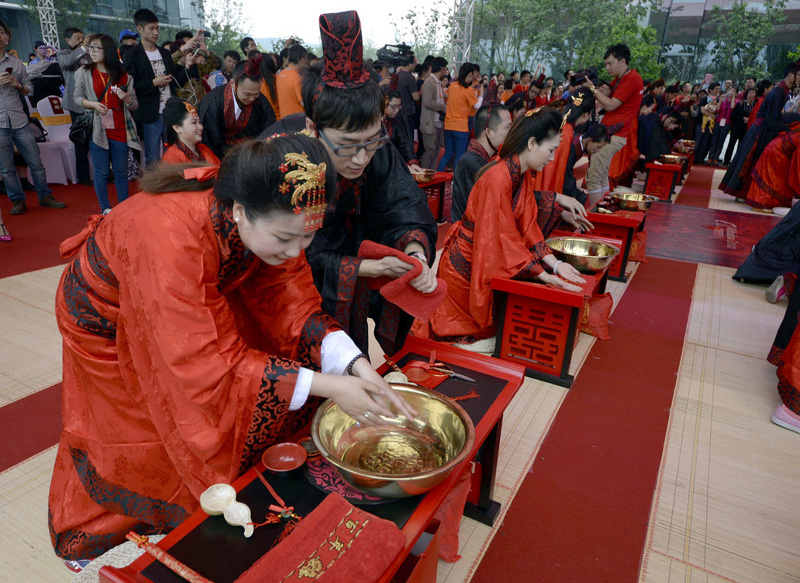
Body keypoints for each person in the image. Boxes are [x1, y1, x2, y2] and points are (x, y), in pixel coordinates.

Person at [47, 134, 416, 565]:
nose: (297, 252)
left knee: (246, 376)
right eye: (285, 239)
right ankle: (98, 530)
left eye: (308, 238)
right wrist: (331, 388)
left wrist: (353, 365)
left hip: (180, 296)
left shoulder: (275, 214)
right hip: (106, 320)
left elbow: (291, 300)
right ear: (240, 211)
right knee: (141, 423)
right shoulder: (168, 234)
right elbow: (202, 364)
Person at [302, 10, 438, 355]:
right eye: (346, 147)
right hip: (301, 302)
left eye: (372, 140)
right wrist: (366, 267)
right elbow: (291, 261)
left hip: (350, 284)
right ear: (313, 129)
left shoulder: (377, 152)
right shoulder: (291, 169)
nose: (362, 159)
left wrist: (415, 252)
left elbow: (404, 206)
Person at [429, 108, 590, 350]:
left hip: (480, 253)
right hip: (465, 265)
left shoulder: (519, 174)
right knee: (479, 337)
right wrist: (544, 275)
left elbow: (527, 224)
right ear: (533, 143)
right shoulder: (499, 176)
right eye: (552, 149)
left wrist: (555, 265)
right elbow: (502, 236)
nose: (553, 158)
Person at [0, 20, 66, 216]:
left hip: (20, 120)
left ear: (7, 37)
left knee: (35, 161)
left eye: (2, 32)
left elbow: (31, 90)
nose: (0, 36)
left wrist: (18, 85)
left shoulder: (17, 64)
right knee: (6, 167)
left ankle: (45, 195)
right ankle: (17, 200)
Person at [76, 34, 140, 215]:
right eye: (91, 48)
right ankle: (105, 208)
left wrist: (127, 99)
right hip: (98, 129)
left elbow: (134, 105)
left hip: (120, 129)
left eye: (97, 48)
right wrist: (92, 105)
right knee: (101, 172)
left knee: (121, 172)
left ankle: (124, 207)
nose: (92, 52)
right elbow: (76, 98)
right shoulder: (84, 72)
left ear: (109, 51)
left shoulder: (124, 76)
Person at [722, 63, 800, 199]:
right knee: (751, 162)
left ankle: (743, 194)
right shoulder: (780, 92)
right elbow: (773, 119)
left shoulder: (781, 90)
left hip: (760, 128)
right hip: (760, 130)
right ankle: (744, 193)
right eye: (799, 75)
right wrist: (790, 126)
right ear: (791, 75)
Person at [123, 8, 190, 166]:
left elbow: (174, 80)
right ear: (140, 29)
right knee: (153, 155)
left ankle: (171, 184)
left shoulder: (164, 53)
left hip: (169, 108)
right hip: (149, 111)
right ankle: (155, 188)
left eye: (157, 28)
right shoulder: (132, 54)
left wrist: (185, 66)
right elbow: (129, 86)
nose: (156, 32)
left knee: (173, 151)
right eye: (151, 28)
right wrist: (153, 83)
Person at [584, 43, 643, 206]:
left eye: (610, 63)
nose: (607, 68)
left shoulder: (632, 78)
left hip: (613, 135)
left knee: (593, 177)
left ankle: (595, 216)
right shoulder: (622, 78)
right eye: (605, 64)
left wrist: (591, 88)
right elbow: (608, 97)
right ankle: (603, 211)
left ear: (622, 61)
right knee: (602, 175)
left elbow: (610, 105)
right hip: (612, 134)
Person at [198, 56, 276, 161]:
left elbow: (268, 130)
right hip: (221, 156)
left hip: (251, 156)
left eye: (256, 93)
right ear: (233, 83)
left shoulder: (261, 102)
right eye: (247, 94)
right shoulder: (213, 103)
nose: (252, 98)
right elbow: (209, 140)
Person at [451, 104, 512, 222]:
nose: (510, 133)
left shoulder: (486, 159)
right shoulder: (470, 163)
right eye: (507, 127)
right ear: (488, 132)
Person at [532, 88, 595, 197]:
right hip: (541, 186)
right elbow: (555, 171)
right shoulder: (566, 131)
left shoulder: (559, 123)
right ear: (587, 114)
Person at [57, 26, 92, 186]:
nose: (81, 40)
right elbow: (67, 63)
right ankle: (83, 176)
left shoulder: (90, 53)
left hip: (92, 101)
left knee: (97, 139)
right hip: (75, 104)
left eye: (83, 37)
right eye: (77, 38)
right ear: (68, 40)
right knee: (80, 139)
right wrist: (83, 47)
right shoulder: (63, 53)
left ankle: (101, 172)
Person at [438, 62, 483, 172]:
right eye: (473, 75)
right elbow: (477, 105)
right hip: (460, 127)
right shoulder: (468, 90)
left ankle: (438, 176)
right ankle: (456, 182)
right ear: (470, 74)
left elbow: (447, 96)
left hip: (448, 126)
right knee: (459, 155)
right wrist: (481, 94)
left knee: (447, 154)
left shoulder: (453, 85)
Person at [745, 121, 800, 210]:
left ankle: (765, 204)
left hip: (777, 147)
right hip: (778, 153)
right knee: (774, 181)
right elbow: (797, 165)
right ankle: (764, 204)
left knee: (774, 181)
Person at [162, 97, 220, 165]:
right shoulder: (171, 158)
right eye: (194, 123)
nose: (200, 127)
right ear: (177, 128)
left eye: (200, 122)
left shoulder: (205, 150)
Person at [419, 55, 448, 169]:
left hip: (438, 122)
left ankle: (432, 174)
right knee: (430, 151)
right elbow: (427, 102)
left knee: (436, 152)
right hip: (430, 123)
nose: (446, 71)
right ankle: (425, 175)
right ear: (441, 69)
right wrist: (443, 107)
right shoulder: (429, 82)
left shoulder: (437, 82)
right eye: (445, 68)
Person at [384, 90, 421, 169]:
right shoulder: (374, 122)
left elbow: (404, 144)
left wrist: (412, 162)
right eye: (394, 106)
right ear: (385, 104)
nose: (397, 110)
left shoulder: (396, 123)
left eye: (399, 106)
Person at [724, 87, 755, 165]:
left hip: (746, 129)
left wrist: (749, 120)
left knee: (741, 146)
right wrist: (742, 118)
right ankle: (726, 161)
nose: (752, 95)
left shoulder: (754, 105)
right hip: (737, 127)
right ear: (746, 94)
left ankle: (735, 163)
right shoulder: (740, 103)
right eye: (750, 93)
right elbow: (733, 116)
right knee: (731, 144)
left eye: (753, 93)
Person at [275, 43, 307, 119]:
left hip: (284, 122)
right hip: (298, 123)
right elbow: (304, 104)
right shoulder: (298, 77)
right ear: (302, 60)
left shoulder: (280, 75)